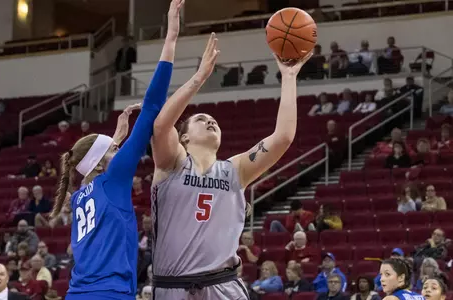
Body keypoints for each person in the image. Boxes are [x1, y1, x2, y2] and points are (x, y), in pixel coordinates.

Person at [149, 31, 313, 299]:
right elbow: (160, 124)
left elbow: (283, 138)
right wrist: (200, 78)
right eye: (202, 119)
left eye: (214, 121)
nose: (211, 121)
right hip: (173, 287)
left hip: (224, 287)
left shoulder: (234, 170)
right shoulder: (172, 163)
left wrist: (289, 77)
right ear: (185, 136)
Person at [49, 1, 180, 299]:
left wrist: (114, 141)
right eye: (112, 151)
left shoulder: (83, 193)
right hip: (110, 293)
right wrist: (171, 37)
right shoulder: (112, 180)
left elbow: (100, 163)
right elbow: (151, 108)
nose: (117, 152)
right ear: (99, 163)